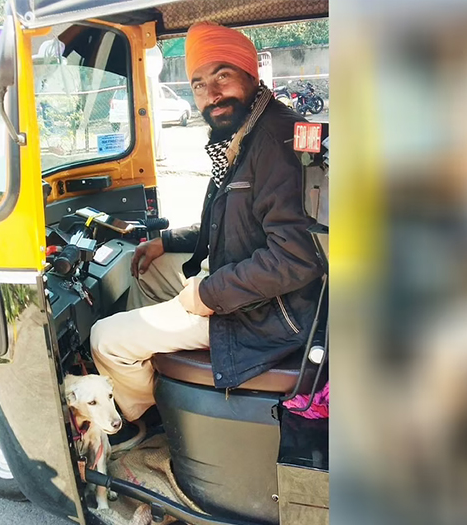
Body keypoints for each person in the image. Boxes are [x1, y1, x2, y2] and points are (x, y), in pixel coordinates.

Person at [90, 21, 324, 444]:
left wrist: (207, 295)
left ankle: (157, 423)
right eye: (199, 84)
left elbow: (297, 257)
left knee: (105, 339)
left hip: (270, 314)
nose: (211, 94)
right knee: (147, 267)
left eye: (223, 76)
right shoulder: (248, 129)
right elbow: (231, 218)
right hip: (249, 282)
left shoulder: (273, 141)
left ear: (252, 77)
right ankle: (160, 363)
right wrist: (169, 241)